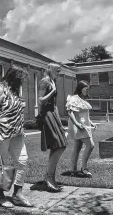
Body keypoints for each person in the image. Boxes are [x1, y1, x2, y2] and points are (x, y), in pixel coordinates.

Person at [0, 65, 32, 208]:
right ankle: (0, 195)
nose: (22, 82)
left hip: (16, 133)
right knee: (0, 165)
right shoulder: (0, 89)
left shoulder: (15, 91)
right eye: (20, 79)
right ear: (13, 77)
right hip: (1, 133)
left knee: (23, 161)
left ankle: (17, 194)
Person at [34, 63, 67, 192]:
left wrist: (60, 122)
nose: (58, 74)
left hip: (53, 113)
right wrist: (52, 91)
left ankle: (50, 178)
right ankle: (49, 178)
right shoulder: (45, 81)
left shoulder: (52, 81)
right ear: (51, 70)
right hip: (47, 114)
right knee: (60, 145)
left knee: (58, 146)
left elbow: (55, 105)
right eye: (57, 71)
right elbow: (40, 100)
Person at [66, 80, 97, 177]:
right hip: (79, 126)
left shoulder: (82, 99)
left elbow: (84, 115)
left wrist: (91, 122)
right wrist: (77, 124)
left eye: (88, 89)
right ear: (80, 88)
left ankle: (73, 169)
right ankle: (84, 168)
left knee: (77, 147)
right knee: (90, 145)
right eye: (86, 89)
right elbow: (70, 113)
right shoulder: (74, 98)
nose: (87, 91)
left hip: (84, 125)